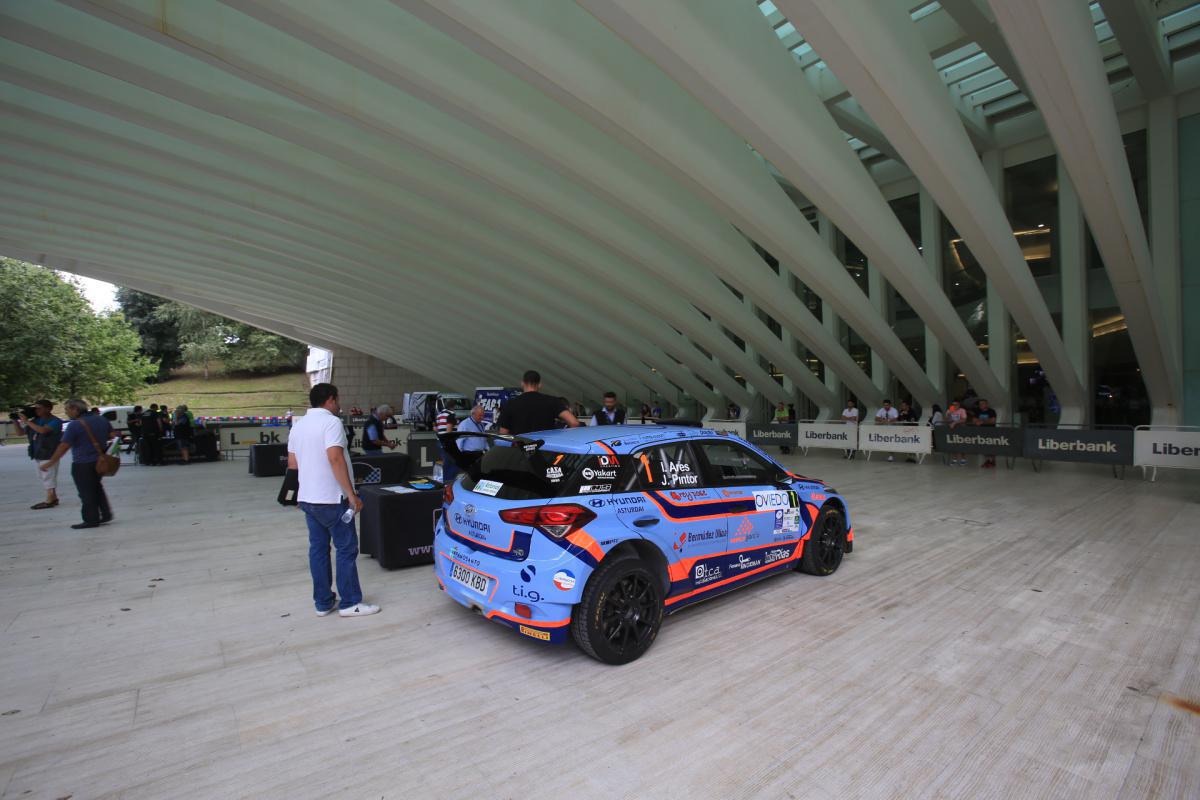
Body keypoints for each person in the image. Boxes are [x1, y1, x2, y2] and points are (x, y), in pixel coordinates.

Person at [286, 382, 379, 618]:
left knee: (318, 550)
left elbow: (292, 465)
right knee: (346, 549)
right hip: (331, 498)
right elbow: (335, 459)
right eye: (337, 400)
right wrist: (351, 494)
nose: (339, 405)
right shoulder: (331, 422)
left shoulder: (298, 425)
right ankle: (350, 602)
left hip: (308, 499)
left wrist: (299, 493)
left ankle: (323, 602)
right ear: (329, 399)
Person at [39, 399, 115, 529]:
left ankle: (91, 519)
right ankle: (106, 514)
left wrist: (51, 462)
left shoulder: (75, 425)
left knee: (86, 492)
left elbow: (64, 446)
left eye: (67, 410)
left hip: (82, 463)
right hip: (100, 461)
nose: (66, 413)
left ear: (75, 409)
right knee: (97, 488)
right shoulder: (101, 419)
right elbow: (112, 435)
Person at [498, 371, 582, 435]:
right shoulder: (552, 401)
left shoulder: (511, 404)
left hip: (520, 453)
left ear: (522, 383)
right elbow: (574, 422)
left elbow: (503, 433)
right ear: (539, 385)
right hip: (545, 451)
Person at [15, 400, 63, 510]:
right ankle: (53, 497)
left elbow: (43, 430)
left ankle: (49, 500)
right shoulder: (36, 421)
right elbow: (20, 433)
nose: (37, 410)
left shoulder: (55, 421)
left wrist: (27, 421)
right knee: (43, 476)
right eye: (36, 408)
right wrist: (15, 420)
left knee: (48, 476)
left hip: (50, 453)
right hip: (38, 452)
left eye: (39, 408)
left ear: (48, 409)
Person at [972, 398, 998, 468]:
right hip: (981, 432)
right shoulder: (977, 411)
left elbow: (992, 421)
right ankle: (987, 460)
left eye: (982, 404)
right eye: (980, 404)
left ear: (986, 404)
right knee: (984, 447)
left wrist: (981, 421)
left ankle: (992, 461)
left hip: (990, 431)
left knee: (991, 446)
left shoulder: (991, 411)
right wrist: (984, 421)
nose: (981, 405)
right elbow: (974, 420)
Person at [946, 400, 969, 465]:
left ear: (959, 405)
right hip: (952, 430)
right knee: (953, 444)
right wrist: (949, 414)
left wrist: (955, 423)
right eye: (953, 404)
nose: (954, 406)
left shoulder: (962, 410)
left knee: (962, 443)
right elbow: (947, 420)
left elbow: (964, 419)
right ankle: (954, 459)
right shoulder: (949, 410)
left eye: (956, 405)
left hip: (961, 429)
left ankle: (963, 459)